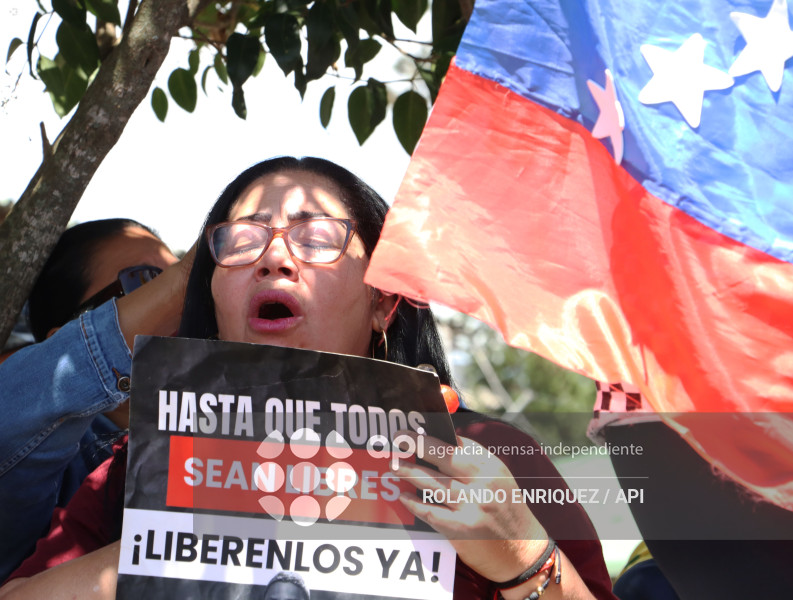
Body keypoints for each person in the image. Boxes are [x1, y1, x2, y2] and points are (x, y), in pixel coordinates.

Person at [1, 157, 615, 599]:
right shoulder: (140, 465)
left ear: (384, 303)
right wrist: (170, 544)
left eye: (317, 236)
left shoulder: (491, 457)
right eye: (239, 241)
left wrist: (522, 558)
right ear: (210, 299)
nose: (273, 256)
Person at [0, 219, 190, 580]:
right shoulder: (56, 470)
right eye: (148, 282)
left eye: (194, 287)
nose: (185, 305)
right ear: (63, 343)